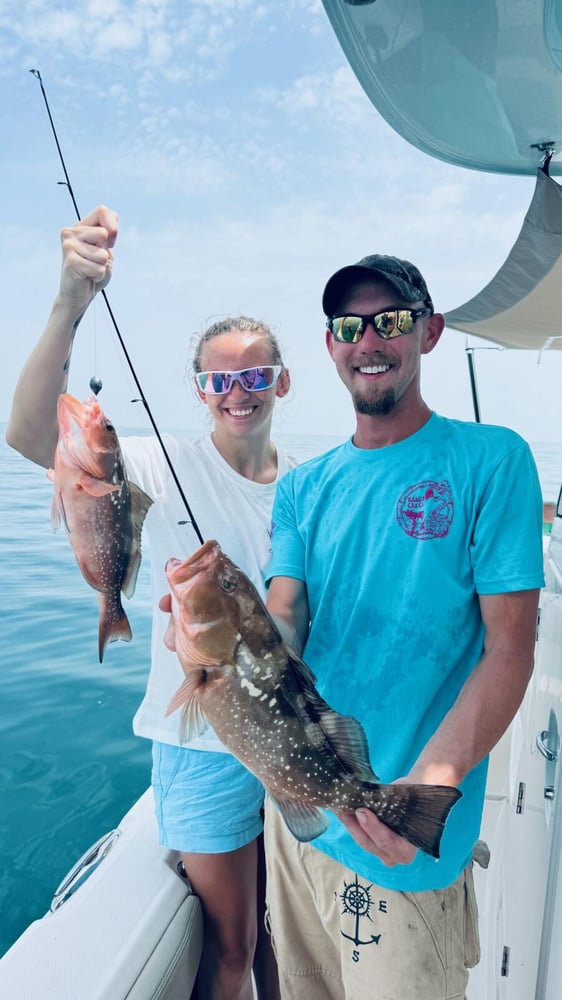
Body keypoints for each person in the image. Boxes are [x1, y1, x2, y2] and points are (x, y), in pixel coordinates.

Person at [6, 205, 294, 1000]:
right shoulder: (156, 466)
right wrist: (70, 299)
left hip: (286, 731)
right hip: (200, 743)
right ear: (200, 390)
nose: (237, 393)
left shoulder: (312, 484)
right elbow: (31, 433)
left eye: (254, 376)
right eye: (219, 379)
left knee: (289, 936)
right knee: (231, 945)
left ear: (282, 382)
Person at [263, 254, 544, 999]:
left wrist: (434, 778)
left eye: (390, 320)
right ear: (330, 344)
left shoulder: (493, 460)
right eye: (349, 326)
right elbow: (287, 613)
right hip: (302, 817)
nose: (370, 340)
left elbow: (511, 646)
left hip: (407, 829)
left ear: (429, 332)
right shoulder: (301, 486)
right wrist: (224, 637)